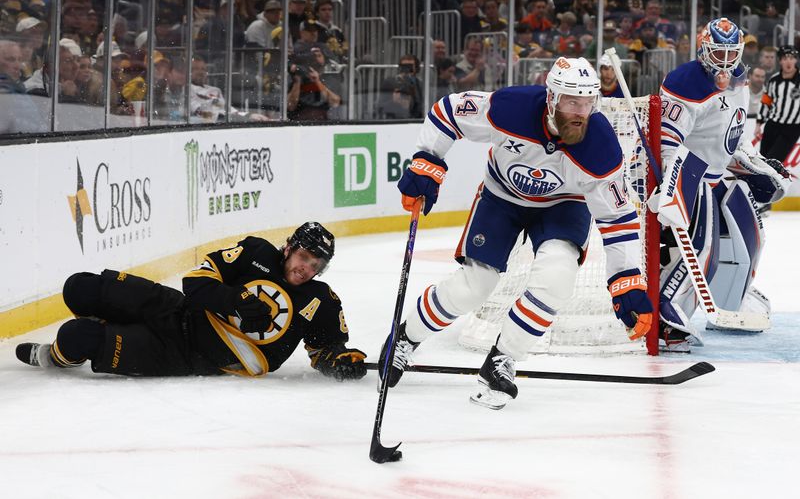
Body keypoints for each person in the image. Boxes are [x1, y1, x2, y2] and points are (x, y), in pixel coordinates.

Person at [378, 57, 654, 410]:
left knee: (556, 279)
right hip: (501, 198)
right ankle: (406, 337)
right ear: (552, 97)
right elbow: (449, 111)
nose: (580, 111)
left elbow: (617, 219)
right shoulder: (512, 108)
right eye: (572, 101)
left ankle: (500, 362)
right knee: (472, 288)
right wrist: (427, 159)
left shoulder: (601, 147)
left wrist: (626, 279)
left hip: (563, 205)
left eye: (587, 102)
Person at [16, 222, 368, 382]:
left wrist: (339, 363)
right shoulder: (255, 251)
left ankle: (56, 357)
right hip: (176, 309)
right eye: (304, 256)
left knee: (76, 338)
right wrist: (234, 299)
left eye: (316, 264)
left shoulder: (321, 300)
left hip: (184, 356)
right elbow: (194, 282)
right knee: (80, 288)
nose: (307, 268)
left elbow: (326, 349)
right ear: (289, 247)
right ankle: (107, 322)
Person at [653, 18, 791, 350]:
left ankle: (735, 297)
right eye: (718, 53)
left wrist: (752, 161)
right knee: (702, 250)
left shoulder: (739, 78)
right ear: (703, 49)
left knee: (750, 238)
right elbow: (668, 145)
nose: (726, 62)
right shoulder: (685, 82)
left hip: (718, 176)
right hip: (690, 176)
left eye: (732, 54)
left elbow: (735, 135)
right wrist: (673, 189)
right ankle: (667, 320)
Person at [757, 45, 800, 164]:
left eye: (791, 58)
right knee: (762, 160)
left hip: (792, 128)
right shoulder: (773, 80)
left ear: (796, 60)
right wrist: (758, 123)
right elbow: (766, 102)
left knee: (773, 162)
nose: (788, 61)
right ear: (780, 61)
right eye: (785, 58)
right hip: (772, 125)